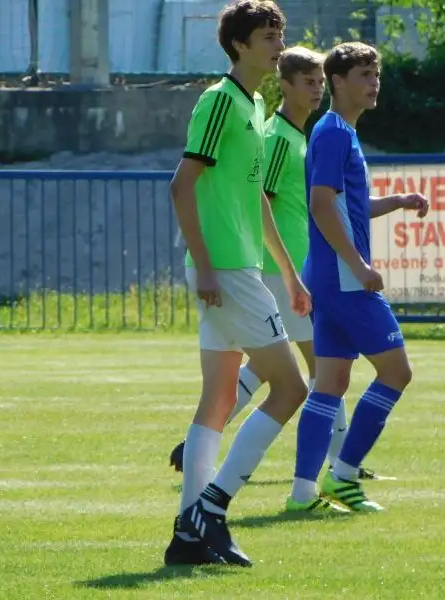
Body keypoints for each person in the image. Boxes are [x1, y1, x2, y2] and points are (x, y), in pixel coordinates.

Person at [169, 46, 385, 491]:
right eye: (308, 81)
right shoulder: (274, 136)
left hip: (284, 269)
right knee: (320, 368)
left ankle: (199, 455)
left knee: (276, 369)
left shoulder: (298, 135)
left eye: (319, 82)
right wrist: (282, 268)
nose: (316, 88)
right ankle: (335, 469)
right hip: (261, 267)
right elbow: (256, 198)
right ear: (285, 83)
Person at [164, 1, 313, 568]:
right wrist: (204, 265)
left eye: (280, 35)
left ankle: (186, 538)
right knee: (291, 387)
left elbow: (257, 202)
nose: (278, 45)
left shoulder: (255, 105)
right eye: (267, 37)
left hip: (242, 266)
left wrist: (291, 273)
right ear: (239, 46)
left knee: (221, 398)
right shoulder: (219, 101)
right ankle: (212, 510)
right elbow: (182, 186)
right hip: (224, 270)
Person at [293, 41, 429, 513]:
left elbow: (344, 206)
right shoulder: (333, 133)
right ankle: (344, 476)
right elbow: (320, 205)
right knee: (397, 372)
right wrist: (358, 265)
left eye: (376, 75)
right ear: (337, 81)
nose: (374, 84)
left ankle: (300, 493)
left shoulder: (335, 131)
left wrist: (397, 201)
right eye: (364, 75)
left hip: (326, 277)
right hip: (342, 278)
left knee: (330, 381)